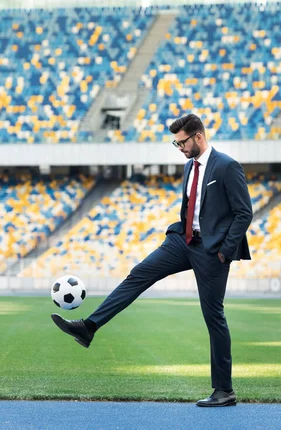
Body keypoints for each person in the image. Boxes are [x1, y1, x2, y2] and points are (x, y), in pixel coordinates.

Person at [51, 113, 253, 407]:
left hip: (212, 250)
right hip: (182, 242)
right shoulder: (189, 167)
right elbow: (191, 208)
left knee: (213, 316)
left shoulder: (227, 166)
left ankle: (224, 391)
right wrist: (178, 234)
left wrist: (224, 251)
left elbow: (243, 212)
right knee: (139, 273)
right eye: (176, 143)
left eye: (182, 142)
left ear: (198, 137)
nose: (180, 148)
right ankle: (88, 327)